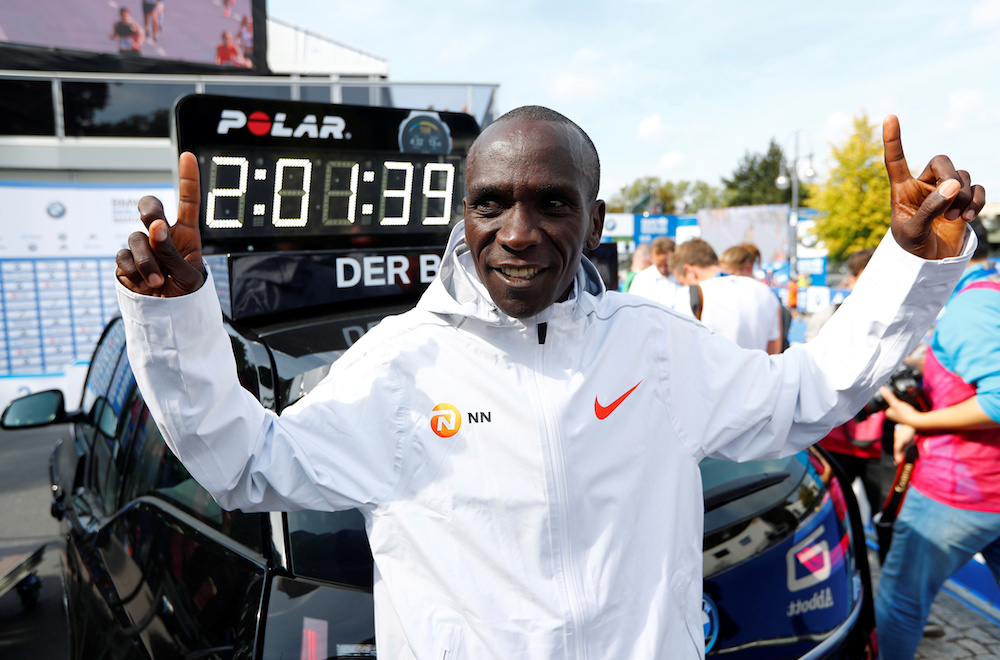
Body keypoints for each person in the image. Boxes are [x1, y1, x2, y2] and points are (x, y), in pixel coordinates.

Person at [115, 107, 983, 659]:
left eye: (551, 203)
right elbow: (246, 465)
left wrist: (911, 263)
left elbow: (805, 395)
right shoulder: (399, 363)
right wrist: (175, 319)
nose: (518, 232)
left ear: (594, 218)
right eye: (491, 202)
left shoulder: (653, 347)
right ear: (465, 216)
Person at [875, 218, 1000, 660]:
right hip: (984, 490)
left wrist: (916, 420)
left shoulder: (972, 308)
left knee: (899, 601)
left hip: (959, 493)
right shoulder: (989, 294)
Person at [805, 248, 887, 515]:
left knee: (885, 520)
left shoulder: (904, 319)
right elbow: (809, 371)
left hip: (881, 444)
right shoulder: (827, 317)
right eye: (866, 279)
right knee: (826, 513)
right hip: (833, 439)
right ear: (851, 280)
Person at [671, 239, 783, 353]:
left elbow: (681, 352)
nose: (684, 285)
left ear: (689, 270)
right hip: (757, 370)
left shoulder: (688, 295)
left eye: (682, 282)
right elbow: (773, 352)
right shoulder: (764, 292)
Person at [627, 235, 683, 305]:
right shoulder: (641, 279)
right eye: (659, 265)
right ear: (652, 259)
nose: (663, 269)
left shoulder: (684, 277)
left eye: (667, 264)